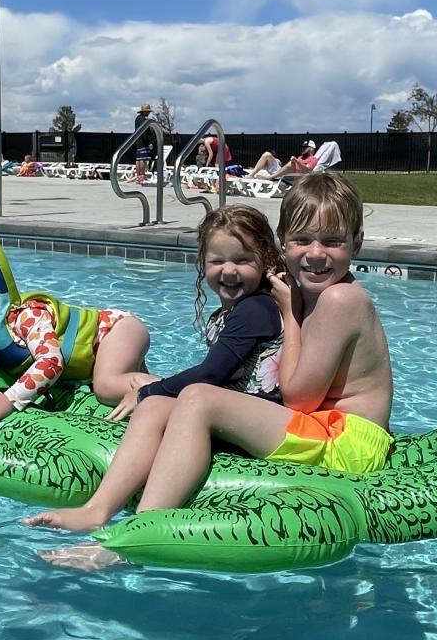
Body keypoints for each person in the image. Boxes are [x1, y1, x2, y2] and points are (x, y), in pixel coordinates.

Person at [33, 174, 394, 567]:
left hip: (347, 444)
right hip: (320, 426)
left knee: (198, 398)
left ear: (356, 243)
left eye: (332, 241)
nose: (316, 253)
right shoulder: (311, 288)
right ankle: (98, 510)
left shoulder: (340, 298)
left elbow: (298, 397)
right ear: (283, 242)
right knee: (157, 407)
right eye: (303, 240)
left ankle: (133, 538)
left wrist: (290, 314)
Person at [24, 203, 285, 535]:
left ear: (266, 259)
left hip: (259, 423)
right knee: (156, 405)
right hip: (232, 414)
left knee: (155, 398)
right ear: (203, 262)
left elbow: (210, 375)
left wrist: (149, 389)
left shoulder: (256, 309)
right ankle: (96, 510)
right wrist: (154, 395)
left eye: (242, 260)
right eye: (217, 261)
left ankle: (142, 525)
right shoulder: (237, 309)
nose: (229, 271)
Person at [0, 236, 152, 432]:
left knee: (106, 386)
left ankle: (156, 389)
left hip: (113, 331)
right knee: (117, 384)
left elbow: (51, 362)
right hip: (102, 348)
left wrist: (9, 400)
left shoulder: (25, 316)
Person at [134, 103, 154, 184]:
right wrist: (149, 142)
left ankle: (138, 176)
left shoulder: (137, 119)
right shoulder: (143, 120)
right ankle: (142, 175)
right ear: (144, 112)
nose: (149, 113)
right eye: (148, 111)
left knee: (138, 159)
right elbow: (145, 132)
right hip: (143, 141)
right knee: (143, 159)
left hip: (138, 141)